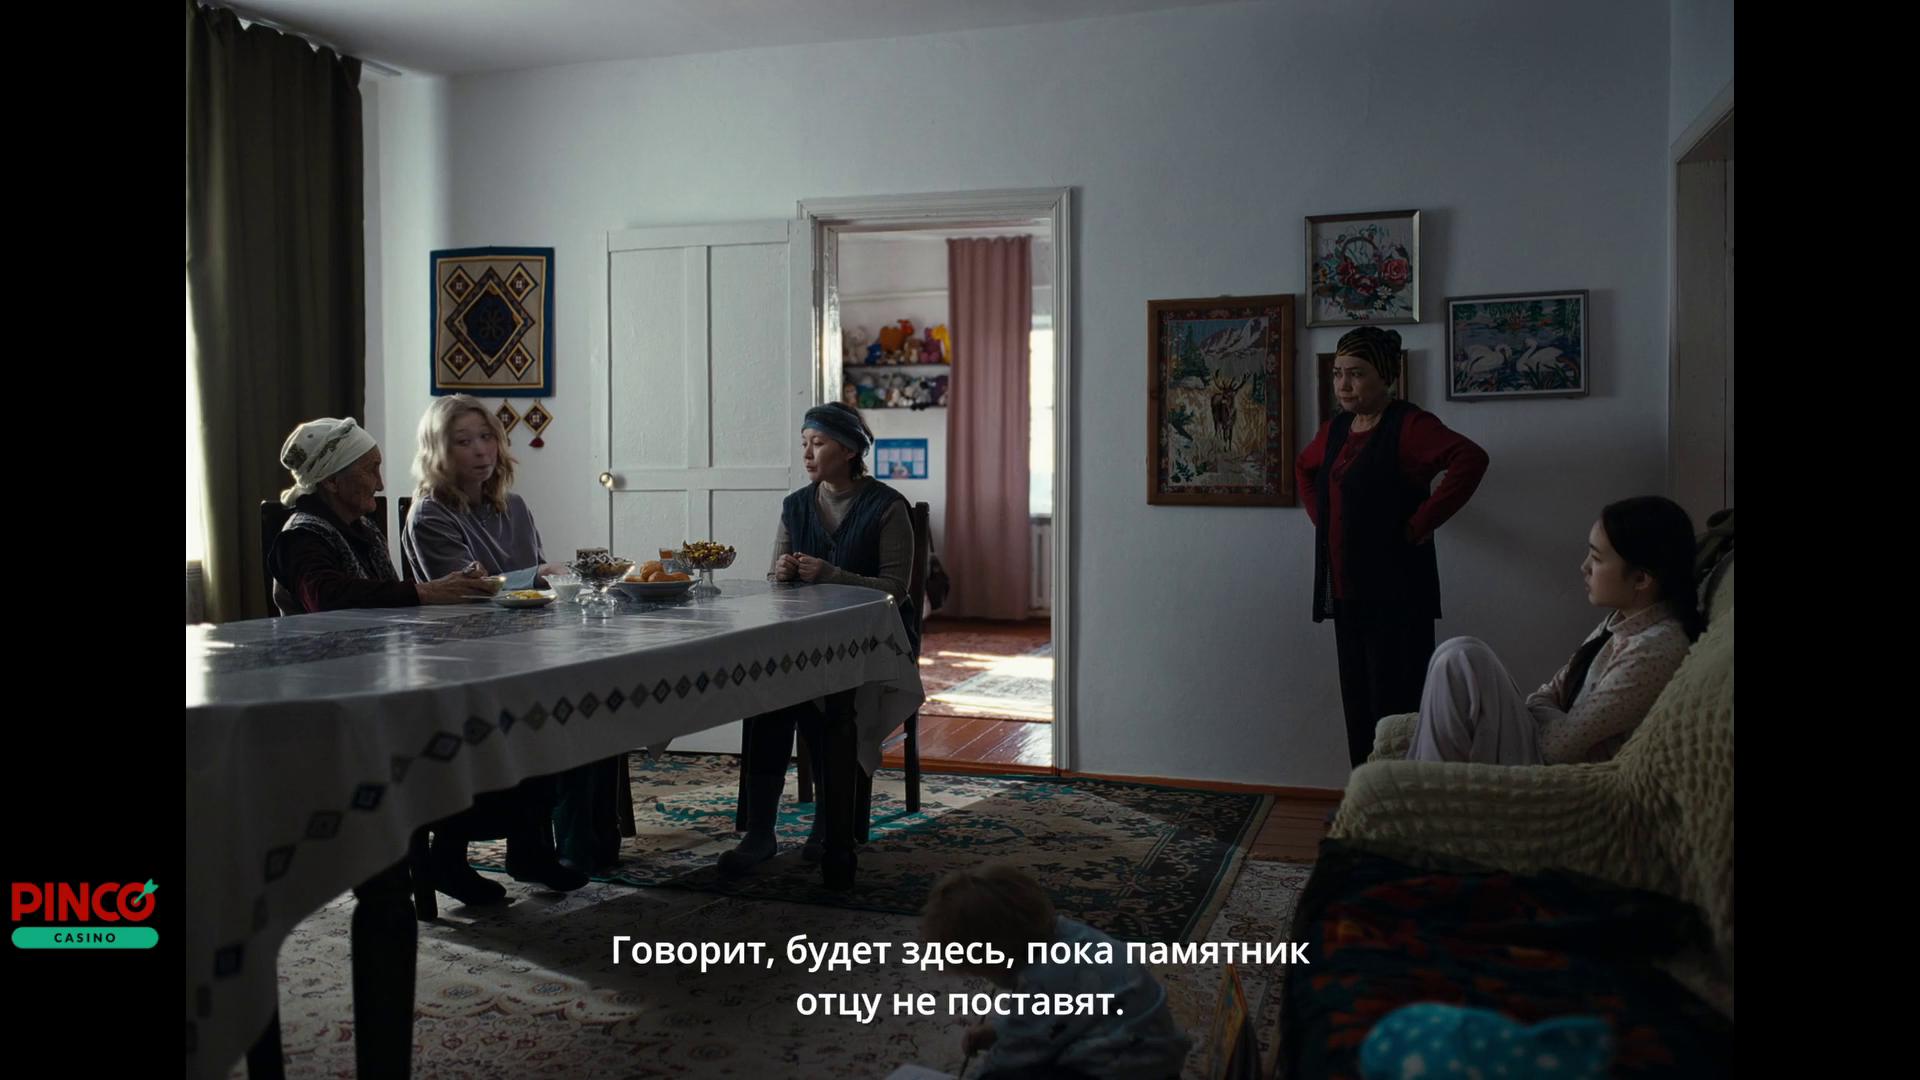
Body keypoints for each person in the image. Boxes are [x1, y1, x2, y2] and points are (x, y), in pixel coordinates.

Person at [396, 395, 610, 880]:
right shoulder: (430, 514)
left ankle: (566, 843)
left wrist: (535, 580)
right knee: (552, 709)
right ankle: (526, 847)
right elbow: (465, 593)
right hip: (464, 656)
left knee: (590, 696)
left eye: (486, 437)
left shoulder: (514, 506)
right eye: (463, 441)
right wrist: (534, 575)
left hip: (523, 645)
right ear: (438, 451)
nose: (480, 450)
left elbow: (532, 587)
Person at [716, 402, 917, 885]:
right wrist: (782, 573)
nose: (807, 453)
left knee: (826, 706)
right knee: (765, 701)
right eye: (804, 443)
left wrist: (833, 574)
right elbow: (773, 581)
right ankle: (760, 833)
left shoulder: (888, 507)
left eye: (818, 443)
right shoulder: (795, 506)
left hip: (870, 645)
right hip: (802, 640)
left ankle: (831, 827)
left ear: (848, 451)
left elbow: (896, 589)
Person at [1296, 327, 1490, 769]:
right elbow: (1304, 468)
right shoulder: (1337, 430)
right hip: (1347, 593)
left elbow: (1470, 459)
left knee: (1396, 707)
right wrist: (1323, 520)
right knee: (1358, 704)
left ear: (1386, 376)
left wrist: (1421, 523)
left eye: (1357, 374)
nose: (1344, 384)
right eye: (1338, 373)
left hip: (1397, 592)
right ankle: (1367, 794)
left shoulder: (1410, 426)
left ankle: (1402, 798)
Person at [1408, 496, 1702, 765]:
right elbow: (1545, 695)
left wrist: (1554, 717)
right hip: (1540, 741)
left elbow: (1555, 747)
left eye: (1597, 559)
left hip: (1551, 765)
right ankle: (1424, 782)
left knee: (1461, 656)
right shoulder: (1617, 625)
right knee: (1456, 654)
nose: (1584, 567)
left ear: (1640, 579)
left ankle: (1424, 788)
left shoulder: (1654, 650)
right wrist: (1559, 717)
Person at [922, 864, 1191, 1080]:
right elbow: (1054, 1018)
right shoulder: (1069, 934)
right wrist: (1000, 1030)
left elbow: (1016, 1054)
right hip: (1155, 1060)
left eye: (978, 970)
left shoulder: (1043, 983)